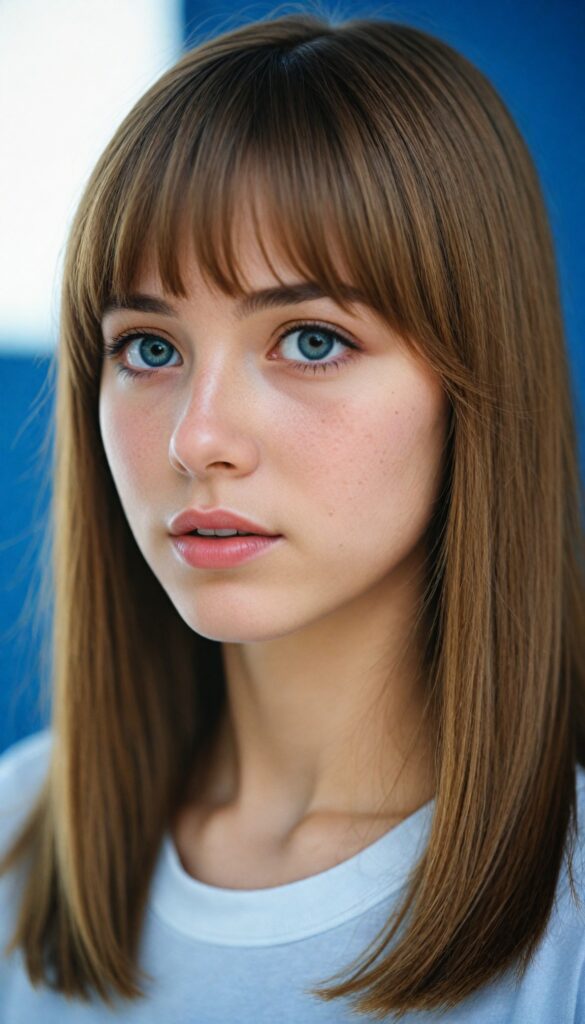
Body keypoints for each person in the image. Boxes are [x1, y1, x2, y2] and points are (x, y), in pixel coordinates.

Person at [1, 9, 584, 1022]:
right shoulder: (15, 842)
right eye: (148, 346)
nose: (198, 437)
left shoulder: (567, 924)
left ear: (473, 382)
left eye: (310, 340)